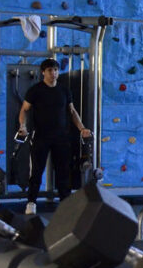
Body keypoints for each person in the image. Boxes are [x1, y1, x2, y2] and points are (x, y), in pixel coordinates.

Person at [17, 58, 92, 215]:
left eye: (56, 70)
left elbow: (72, 111)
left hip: (61, 137)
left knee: (64, 171)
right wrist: (22, 127)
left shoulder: (64, 91)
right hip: (41, 137)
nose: (53, 73)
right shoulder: (35, 90)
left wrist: (82, 128)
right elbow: (24, 110)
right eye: (50, 70)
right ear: (43, 72)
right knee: (37, 171)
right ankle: (31, 203)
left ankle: (65, 203)